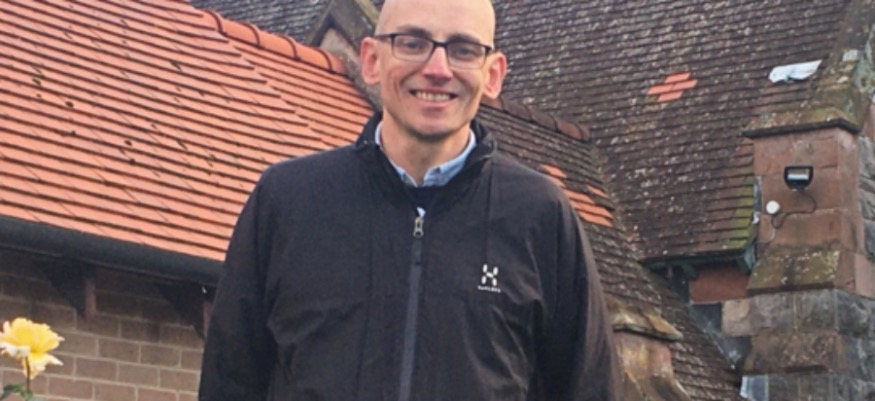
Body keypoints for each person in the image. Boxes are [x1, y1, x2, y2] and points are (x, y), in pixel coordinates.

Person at [198, 0, 620, 399]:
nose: (437, 69)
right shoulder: (288, 202)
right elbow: (229, 383)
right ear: (371, 60)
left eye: (463, 49)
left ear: (493, 74)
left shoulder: (540, 216)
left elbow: (590, 390)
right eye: (413, 43)